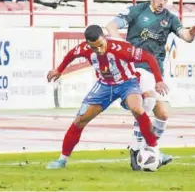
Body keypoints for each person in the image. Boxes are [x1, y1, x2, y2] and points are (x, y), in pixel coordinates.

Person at [106, 0, 195, 171]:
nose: (161, 2)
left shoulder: (170, 18)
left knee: (163, 114)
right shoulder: (137, 11)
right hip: (136, 67)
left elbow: (185, 36)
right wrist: (121, 45)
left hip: (156, 70)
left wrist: (191, 33)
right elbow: (111, 26)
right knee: (148, 101)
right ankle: (136, 149)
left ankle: (148, 149)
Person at [46, 24, 169, 169]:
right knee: (80, 120)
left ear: (105, 38)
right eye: (94, 47)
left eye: (101, 45)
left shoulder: (121, 49)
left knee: (138, 109)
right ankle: (62, 160)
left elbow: (149, 57)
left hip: (127, 83)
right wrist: (59, 70)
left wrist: (159, 80)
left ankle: (155, 150)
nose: (98, 50)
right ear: (88, 44)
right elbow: (72, 54)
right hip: (104, 86)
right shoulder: (84, 49)